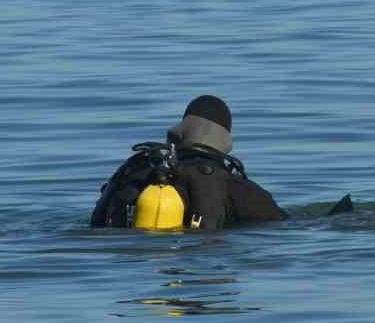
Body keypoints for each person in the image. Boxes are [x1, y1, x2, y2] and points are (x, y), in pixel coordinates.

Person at [91, 95, 285, 230]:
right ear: (224, 140)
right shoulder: (236, 188)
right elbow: (281, 224)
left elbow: (96, 221)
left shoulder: (134, 171)